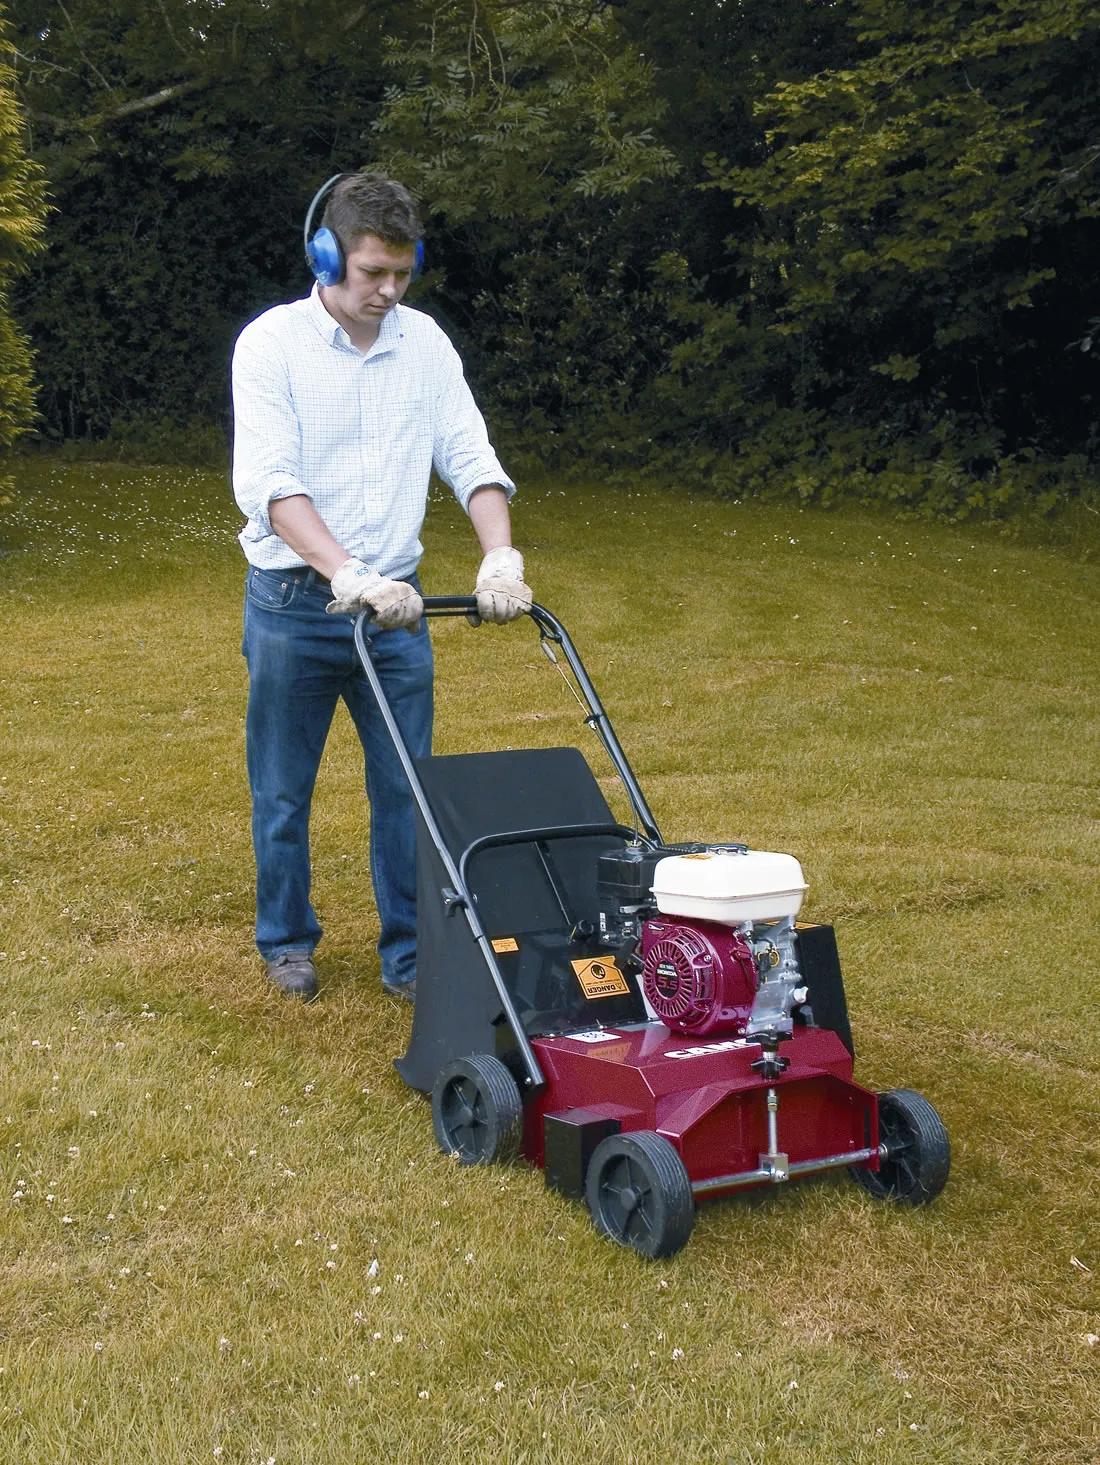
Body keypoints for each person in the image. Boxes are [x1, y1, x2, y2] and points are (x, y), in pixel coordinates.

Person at [231, 170, 530, 1003]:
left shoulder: (424, 344)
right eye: (372, 273)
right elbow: (272, 484)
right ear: (326, 255)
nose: (389, 291)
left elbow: (470, 456)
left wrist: (499, 554)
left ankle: (411, 954)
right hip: (296, 606)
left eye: (403, 272)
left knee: (410, 793)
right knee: (284, 791)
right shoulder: (270, 346)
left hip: (397, 613)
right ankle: (287, 942)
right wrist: (347, 572)